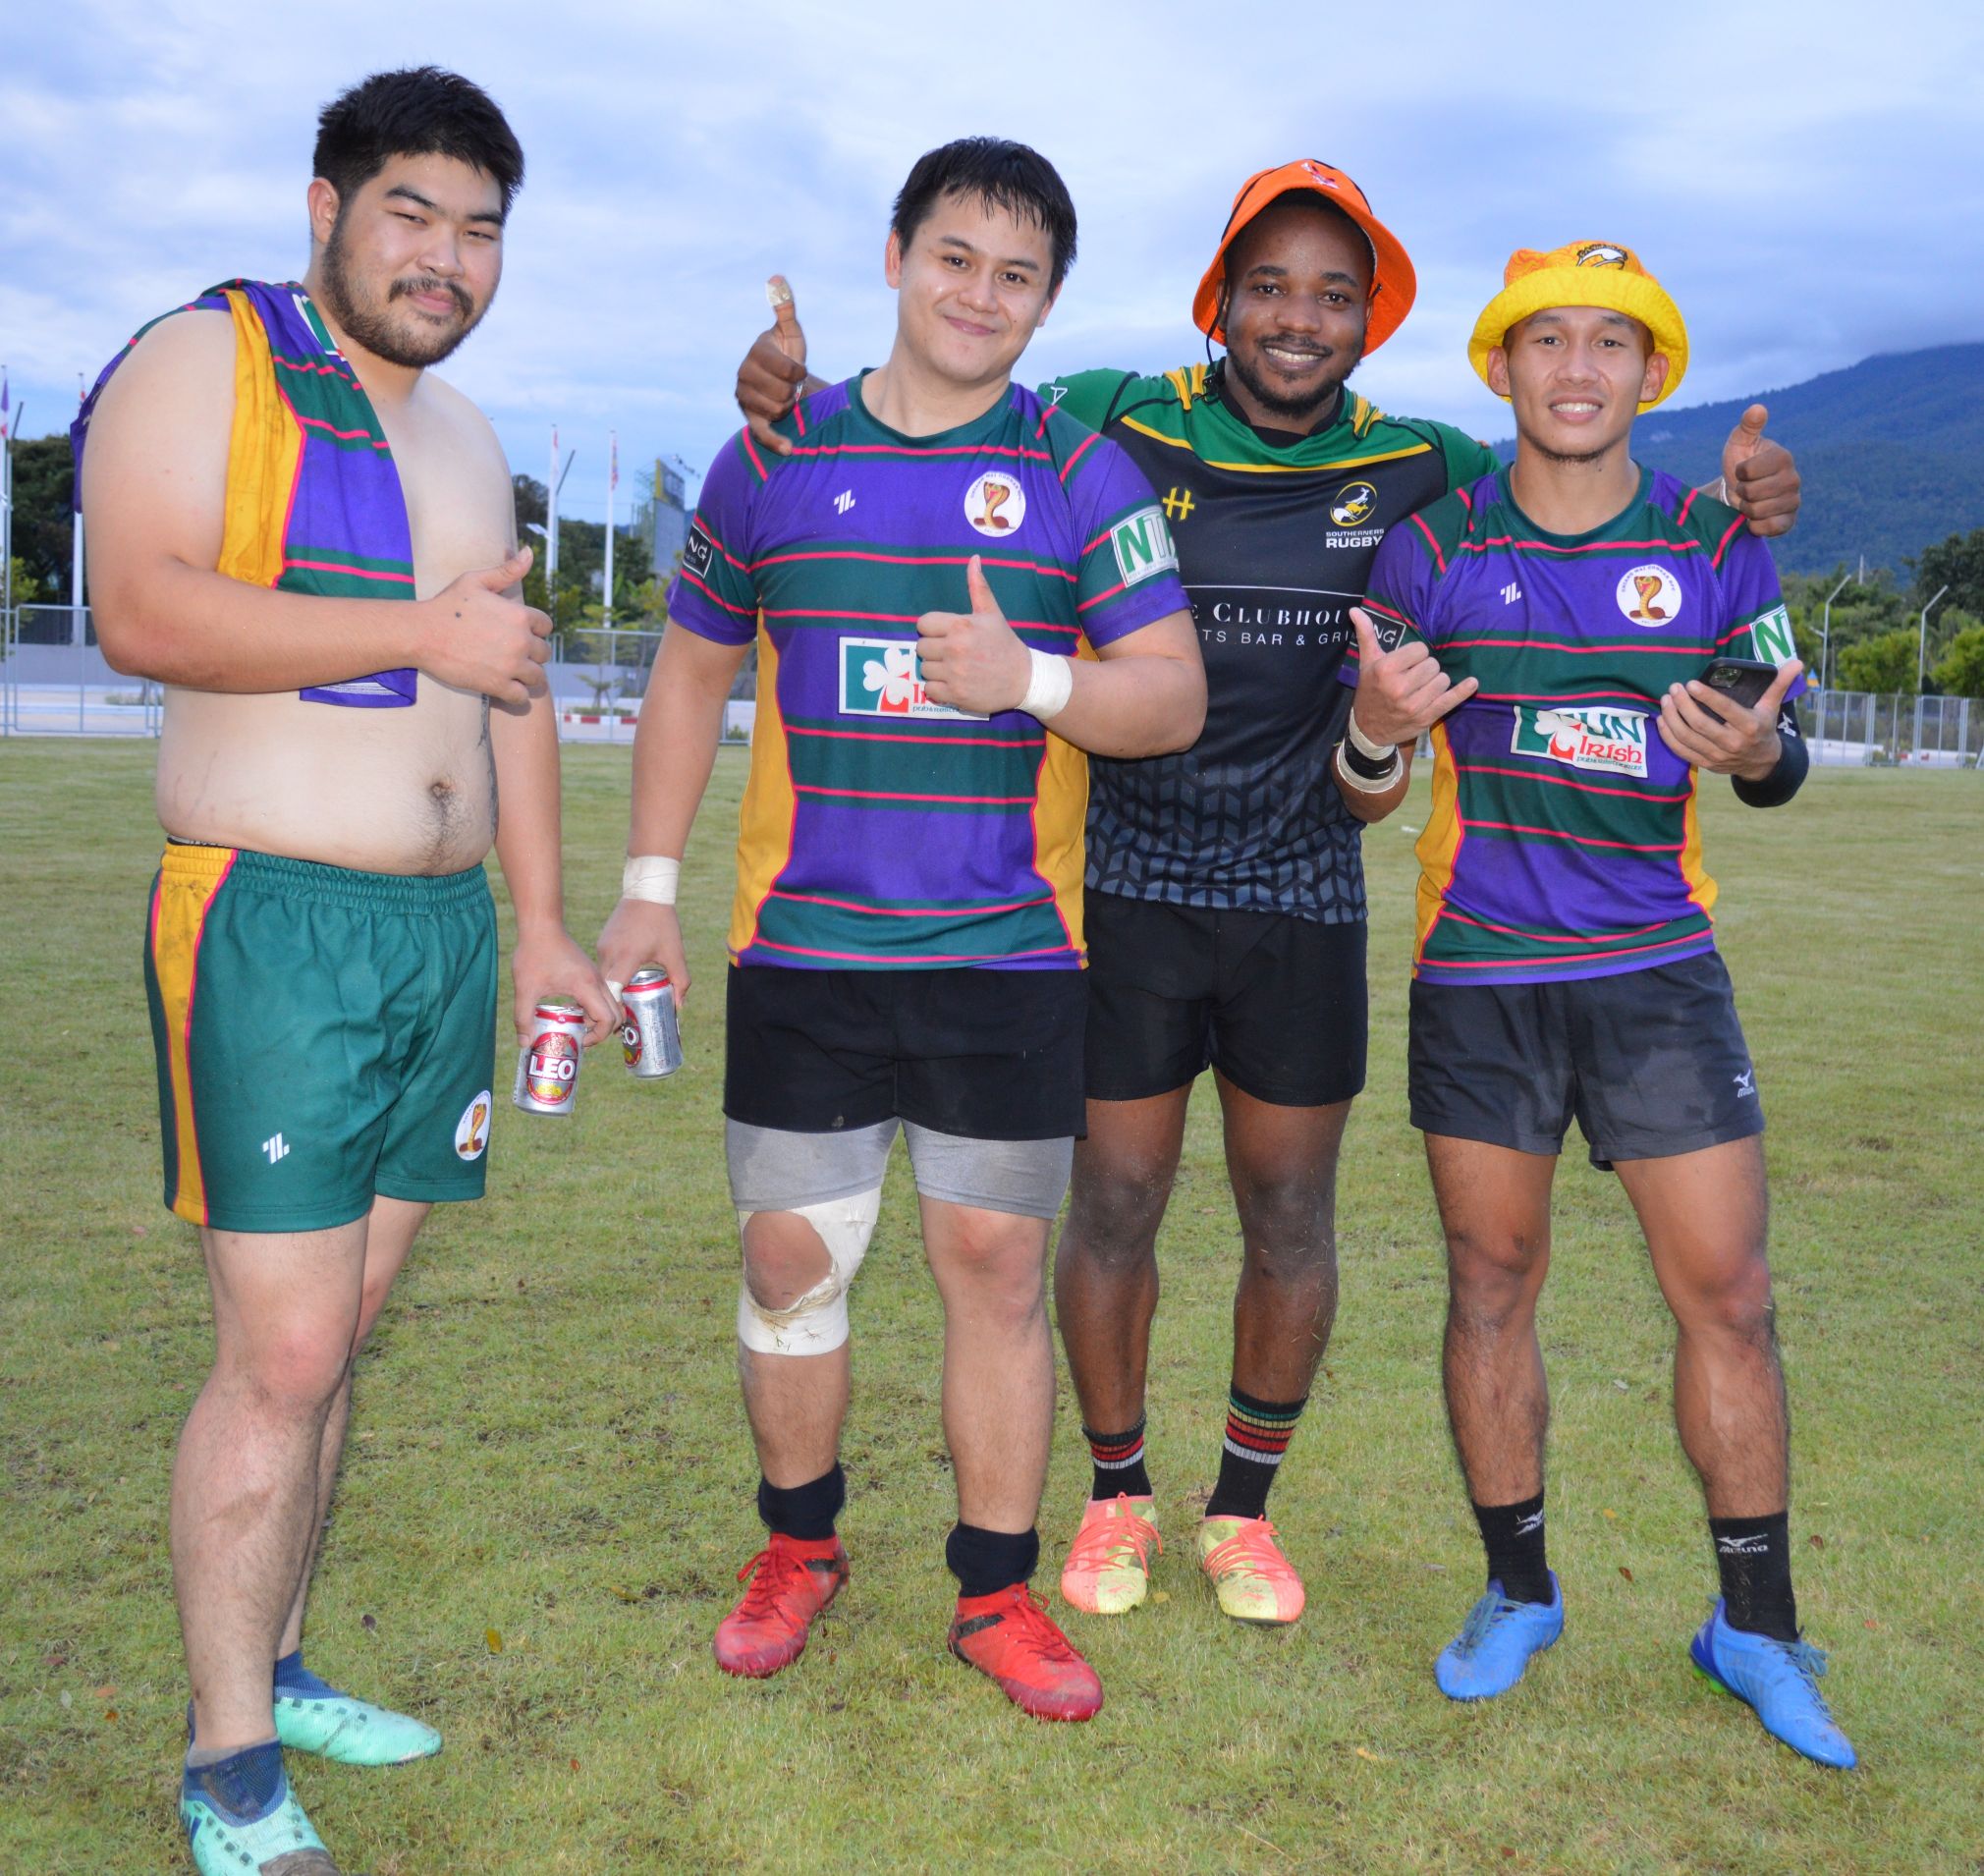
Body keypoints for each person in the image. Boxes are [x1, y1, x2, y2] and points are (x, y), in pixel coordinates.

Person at [731, 164, 1803, 1627]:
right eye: (1271, 286)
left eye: (1335, 295)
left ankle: (1242, 1509)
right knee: (1114, 1200)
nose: (1300, 318)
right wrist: (794, 397)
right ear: (1221, 299)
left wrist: (1741, 500)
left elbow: (1568, 459)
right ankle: (1116, 1493)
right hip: (1126, 881)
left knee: (1291, 1208)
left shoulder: (1419, 464)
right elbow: (951, 391)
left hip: (1304, 888)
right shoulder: (1117, 414)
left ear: (1374, 320)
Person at [77, 67, 615, 1874]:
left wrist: (543, 922)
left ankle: (282, 1664)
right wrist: (418, 628)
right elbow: (139, 609)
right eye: (411, 214)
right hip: (274, 918)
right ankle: (228, 1766)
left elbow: (506, 687)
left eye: (480, 231)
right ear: (327, 208)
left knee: (346, 1327)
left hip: (439, 935)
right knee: (285, 1346)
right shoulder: (207, 361)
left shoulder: (465, 433)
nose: (445, 258)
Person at [598, 138, 1202, 1723]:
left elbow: (1171, 695)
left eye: (1017, 275)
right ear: (894, 256)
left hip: (1006, 952)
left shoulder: (1079, 471)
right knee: (789, 1260)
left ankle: (996, 1591)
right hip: (804, 948)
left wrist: (1034, 681)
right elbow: (690, 670)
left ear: (1048, 302)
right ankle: (798, 1549)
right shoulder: (774, 455)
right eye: (954, 257)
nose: (979, 295)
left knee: (993, 1265)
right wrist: (649, 885)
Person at [1338, 240, 1852, 1769]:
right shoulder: (1431, 547)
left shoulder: (1714, 543)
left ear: (1650, 373)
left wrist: (1755, 754)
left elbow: (1777, 759)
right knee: (1490, 1283)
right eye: (1547, 339)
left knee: (1731, 1294)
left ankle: (1754, 1626)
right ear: (1501, 366)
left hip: (1656, 975)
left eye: (1610, 343)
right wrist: (1370, 729)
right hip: (1481, 974)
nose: (1577, 367)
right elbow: (1365, 788)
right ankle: (1519, 1588)